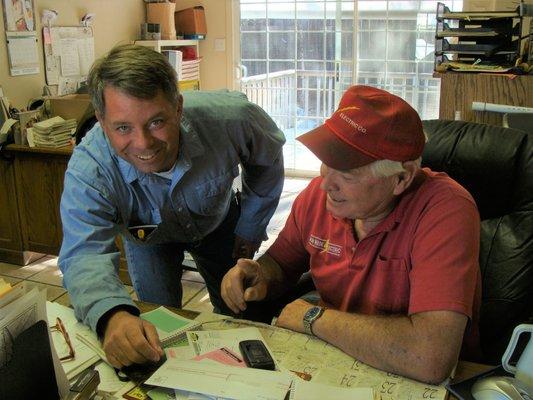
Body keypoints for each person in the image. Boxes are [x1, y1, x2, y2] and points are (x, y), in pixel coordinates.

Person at [221, 85, 481, 384]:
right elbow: (281, 263)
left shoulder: (446, 210)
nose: (325, 184)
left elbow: (429, 358)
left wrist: (312, 318)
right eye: (327, 164)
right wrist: (259, 274)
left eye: (347, 173)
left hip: (419, 382)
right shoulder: (321, 198)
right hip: (335, 362)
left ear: (401, 177)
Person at [58, 44, 285, 368]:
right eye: (123, 128)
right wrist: (111, 315)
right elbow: (83, 253)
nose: (143, 144)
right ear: (102, 121)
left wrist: (250, 225)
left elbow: (268, 160)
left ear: (178, 108)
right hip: (147, 242)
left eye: (156, 122)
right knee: (156, 327)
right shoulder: (89, 169)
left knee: (244, 313)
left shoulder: (230, 117)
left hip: (219, 225)